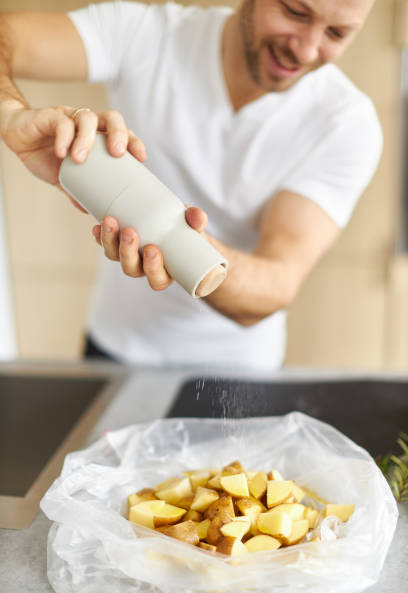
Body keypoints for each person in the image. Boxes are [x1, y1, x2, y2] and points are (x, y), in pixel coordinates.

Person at [0, 0, 381, 371]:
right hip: (117, 348)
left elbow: (276, 282)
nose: (306, 48)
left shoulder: (346, 124)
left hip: (239, 370)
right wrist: (11, 115)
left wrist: (172, 240)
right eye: (294, 12)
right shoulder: (146, 35)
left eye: (337, 32)